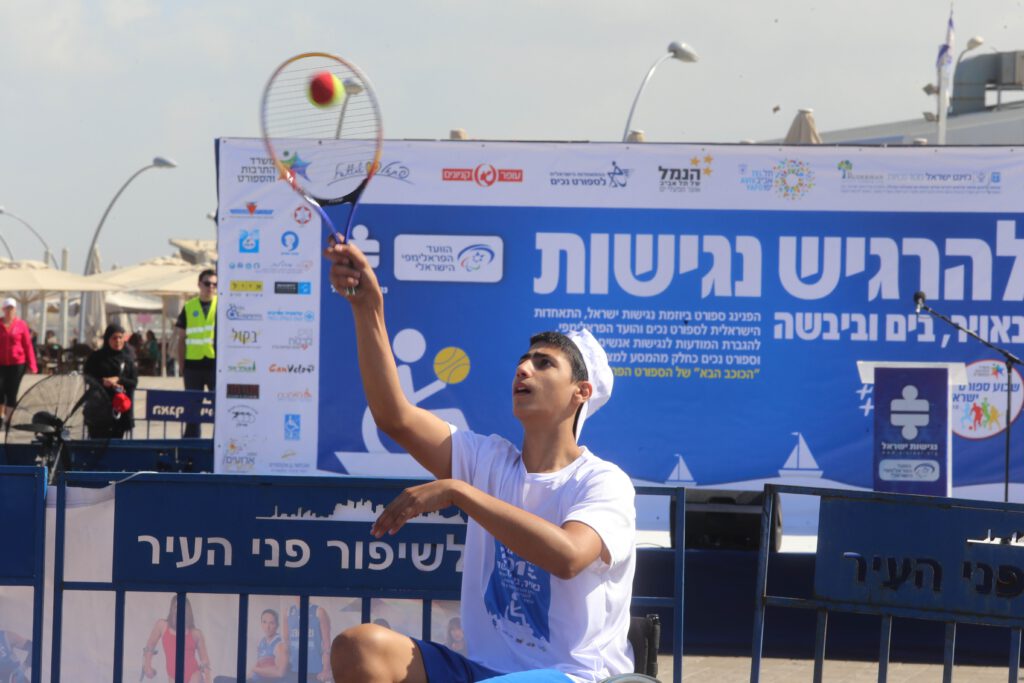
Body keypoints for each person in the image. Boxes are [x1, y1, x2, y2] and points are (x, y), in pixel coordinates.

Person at [324, 240, 636, 683]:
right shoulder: (488, 460)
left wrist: (458, 492)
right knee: (360, 648)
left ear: (580, 393)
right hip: (483, 672)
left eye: (543, 363)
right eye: (523, 360)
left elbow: (568, 556)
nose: (523, 368)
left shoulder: (604, 481)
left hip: (572, 677)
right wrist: (367, 309)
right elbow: (394, 417)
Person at [175, 269, 218, 438]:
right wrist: (182, 366)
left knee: (218, 408)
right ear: (199, 284)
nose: (211, 287)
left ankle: (218, 444)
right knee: (192, 409)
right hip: (192, 366)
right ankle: (191, 446)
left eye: (215, 284)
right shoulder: (189, 306)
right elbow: (181, 339)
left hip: (215, 365)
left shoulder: (222, 305)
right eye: (207, 283)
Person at [83, 323, 138, 439]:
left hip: (120, 411)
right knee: (96, 445)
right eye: (114, 338)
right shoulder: (96, 357)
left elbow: (133, 382)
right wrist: (103, 382)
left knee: (116, 446)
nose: (117, 341)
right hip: (99, 410)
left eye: (120, 337)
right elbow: (87, 377)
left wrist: (119, 380)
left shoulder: (128, 360)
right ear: (107, 339)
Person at [143, 595, 212, 683]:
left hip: (194, 675)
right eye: (176, 607)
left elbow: (204, 660)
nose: (180, 610)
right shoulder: (162, 626)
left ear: (188, 611)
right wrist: (147, 666)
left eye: (184, 608)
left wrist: (208, 680)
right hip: (173, 676)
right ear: (172, 609)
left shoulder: (196, 633)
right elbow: (150, 645)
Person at [0, 298, 37, 431]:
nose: (9, 311)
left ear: (15, 310)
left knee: (12, 392)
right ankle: (1, 417)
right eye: (7, 308)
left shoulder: (21, 325)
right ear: (3, 310)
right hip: (1, 364)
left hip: (17, 364)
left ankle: (8, 420)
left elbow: (28, 345)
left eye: (12, 308)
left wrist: (32, 364)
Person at [287, 603, 332, 682]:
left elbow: (327, 644)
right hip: (294, 670)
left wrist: (326, 669)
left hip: (314, 670)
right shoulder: (288, 612)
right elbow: (286, 642)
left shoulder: (318, 611)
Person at [249, 609, 289, 682]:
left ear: (277, 625)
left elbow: (280, 673)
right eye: (264, 622)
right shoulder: (261, 642)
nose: (267, 626)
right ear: (261, 623)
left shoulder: (280, 645)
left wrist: (255, 669)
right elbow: (258, 665)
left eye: (271, 623)